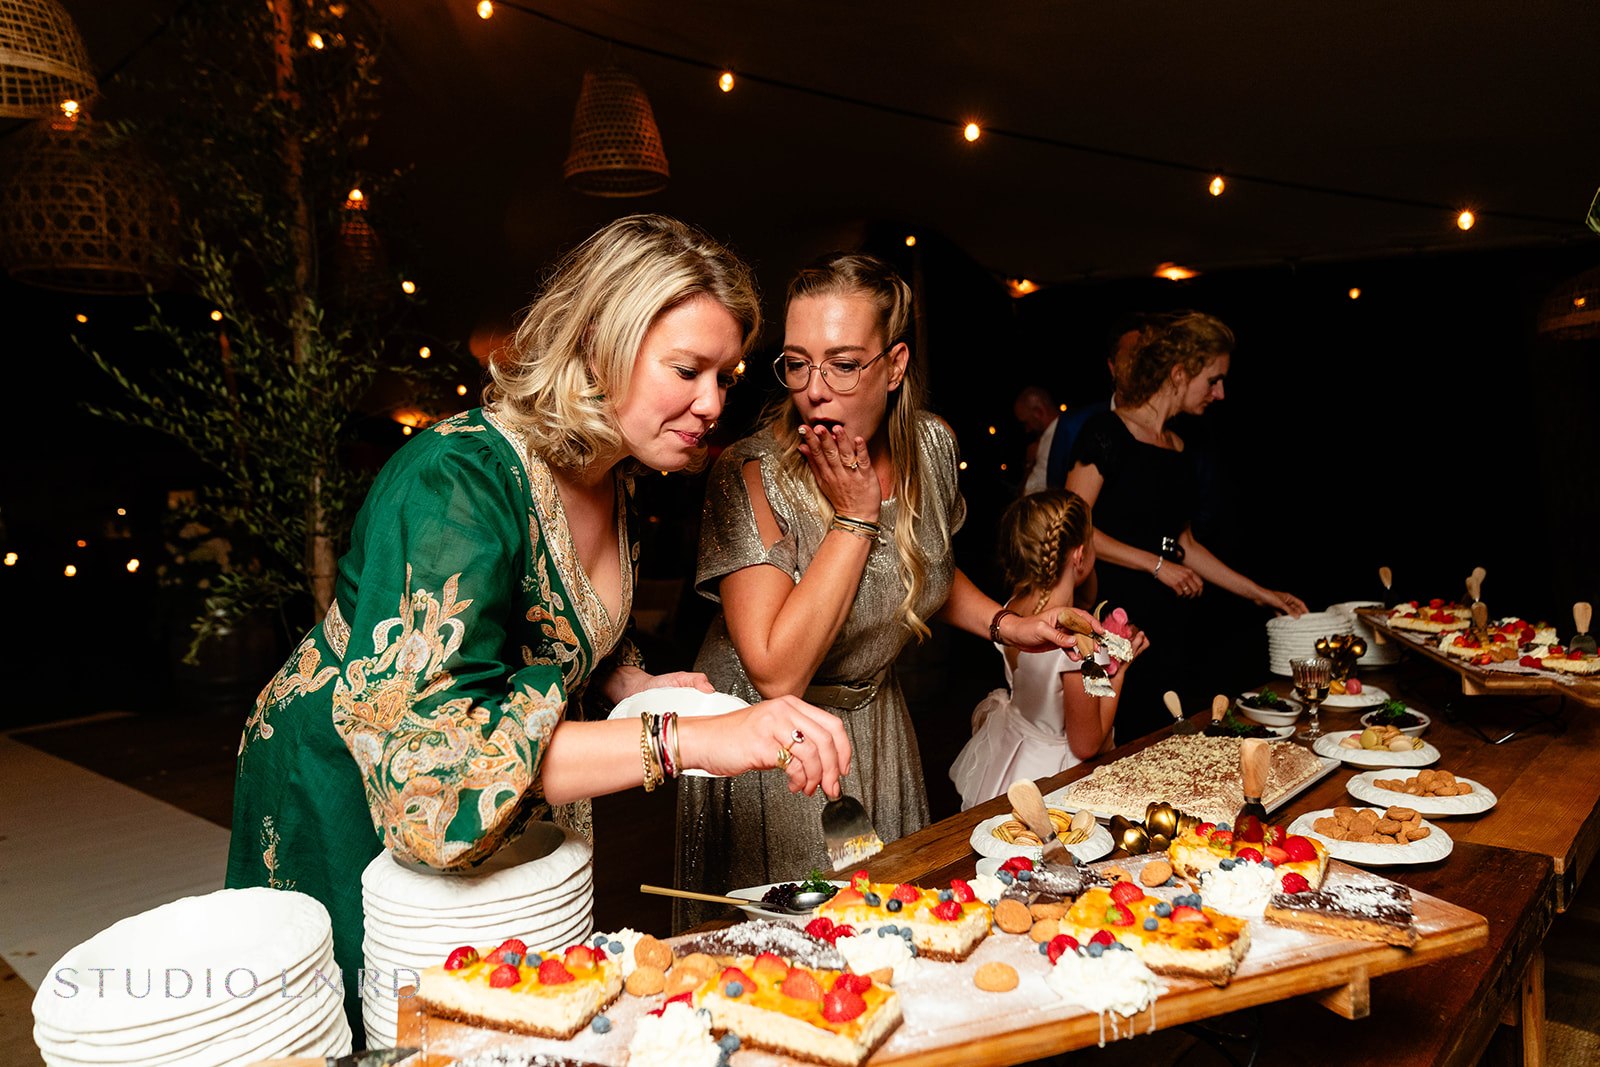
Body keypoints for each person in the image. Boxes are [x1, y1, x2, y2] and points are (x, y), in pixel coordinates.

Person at [225, 215, 851, 1040]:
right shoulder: (456, 482)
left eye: (725, 375)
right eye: (687, 369)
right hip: (350, 792)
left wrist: (626, 677)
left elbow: (559, 625)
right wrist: (689, 739)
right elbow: (436, 776)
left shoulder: (615, 476)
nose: (713, 404)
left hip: (489, 809)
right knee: (380, 1026)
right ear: (598, 345)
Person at [677, 252, 1095, 927]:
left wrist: (1005, 624)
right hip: (775, 741)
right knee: (799, 946)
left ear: (895, 365)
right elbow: (776, 669)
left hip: (874, 717)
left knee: (889, 920)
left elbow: (920, 565)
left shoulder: (930, 446)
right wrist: (855, 516)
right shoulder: (751, 472)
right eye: (796, 362)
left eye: (843, 364)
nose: (814, 389)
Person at [1066, 311, 1306, 740]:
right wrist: (1157, 566)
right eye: (1213, 379)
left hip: (1170, 625)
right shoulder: (1107, 432)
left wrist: (1261, 594)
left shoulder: (1178, 445)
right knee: (1120, 740)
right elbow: (1072, 528)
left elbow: (1186, 544)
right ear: (1179, 373)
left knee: (1170, 736)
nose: (1220, 393)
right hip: (1116, 619)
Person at [949, 489, 1149, 810]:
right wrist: (1120, 672)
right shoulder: (1075, 640)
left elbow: (1078, 600)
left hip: (1012, 756)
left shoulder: (1014, 606)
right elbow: (1086, 744)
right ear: (1080, 556)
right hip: (1052, 778)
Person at [1043, 315, 1146, 489]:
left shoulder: (1167, 431)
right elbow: (1056, 495)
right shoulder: (1074, 425)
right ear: (1112, 367)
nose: (1141, 368)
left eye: (1147, 358)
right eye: (1132, 358)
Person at [1014, 385, 1059, 494]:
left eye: (1026, 422)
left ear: (1038, 412)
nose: (1027, 430)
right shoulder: (1069, 427)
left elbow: (1030, 493)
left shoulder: (1049, 440)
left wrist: (1030, 464)